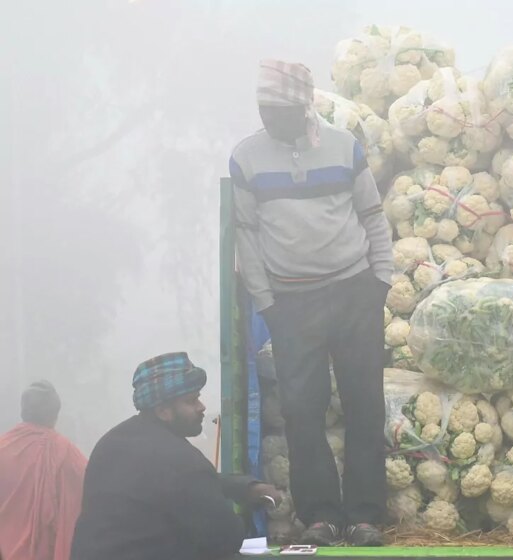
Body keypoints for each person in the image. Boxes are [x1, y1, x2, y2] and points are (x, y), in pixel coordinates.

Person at [230, 61, 392, 547]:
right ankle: (320, 515)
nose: (268, 117)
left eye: (278, 109)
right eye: (263, 108)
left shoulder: (345, 148)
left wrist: (380, 280)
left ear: (304, 108)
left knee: (365, 405)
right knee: (303, 411)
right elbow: (247, 236)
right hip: (292, 303)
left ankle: (364, 517)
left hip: (353, 291)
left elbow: (373, 216)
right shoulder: (246, 158)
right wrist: (267, 304)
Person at [71, 352, 282, 560]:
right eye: (191, 401)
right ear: (163, 411)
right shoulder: (181, 460)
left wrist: (243, 486)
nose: (202, 407)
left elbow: (167, 482)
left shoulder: (112, 443)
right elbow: (225, 537)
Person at [0, 381, 87, 560]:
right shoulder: (66, 453)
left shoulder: (3, 448)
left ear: (23, 411)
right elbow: (92, 493)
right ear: (55, 415)